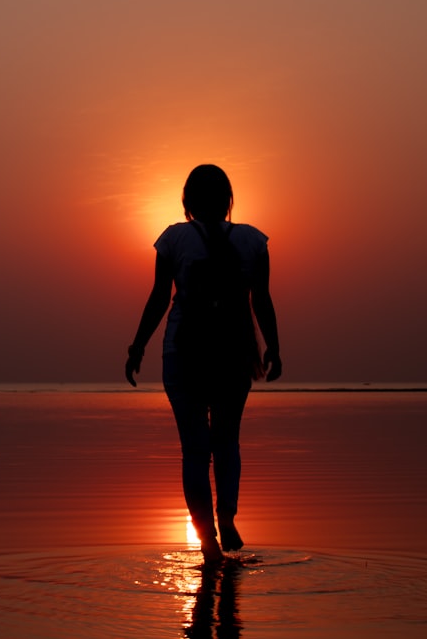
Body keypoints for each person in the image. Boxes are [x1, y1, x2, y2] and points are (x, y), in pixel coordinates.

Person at [125, 164, 282, 565]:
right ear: (228, 200)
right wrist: (274, 348)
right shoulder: (251, 240)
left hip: (184, 352)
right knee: (227, 440)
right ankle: (226, 515)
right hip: (235, 352)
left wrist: (137, 346)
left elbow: (160, 297)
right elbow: (260, 299)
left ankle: (206, 538)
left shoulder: (175, 238)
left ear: (187, 201)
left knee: (195, 450)